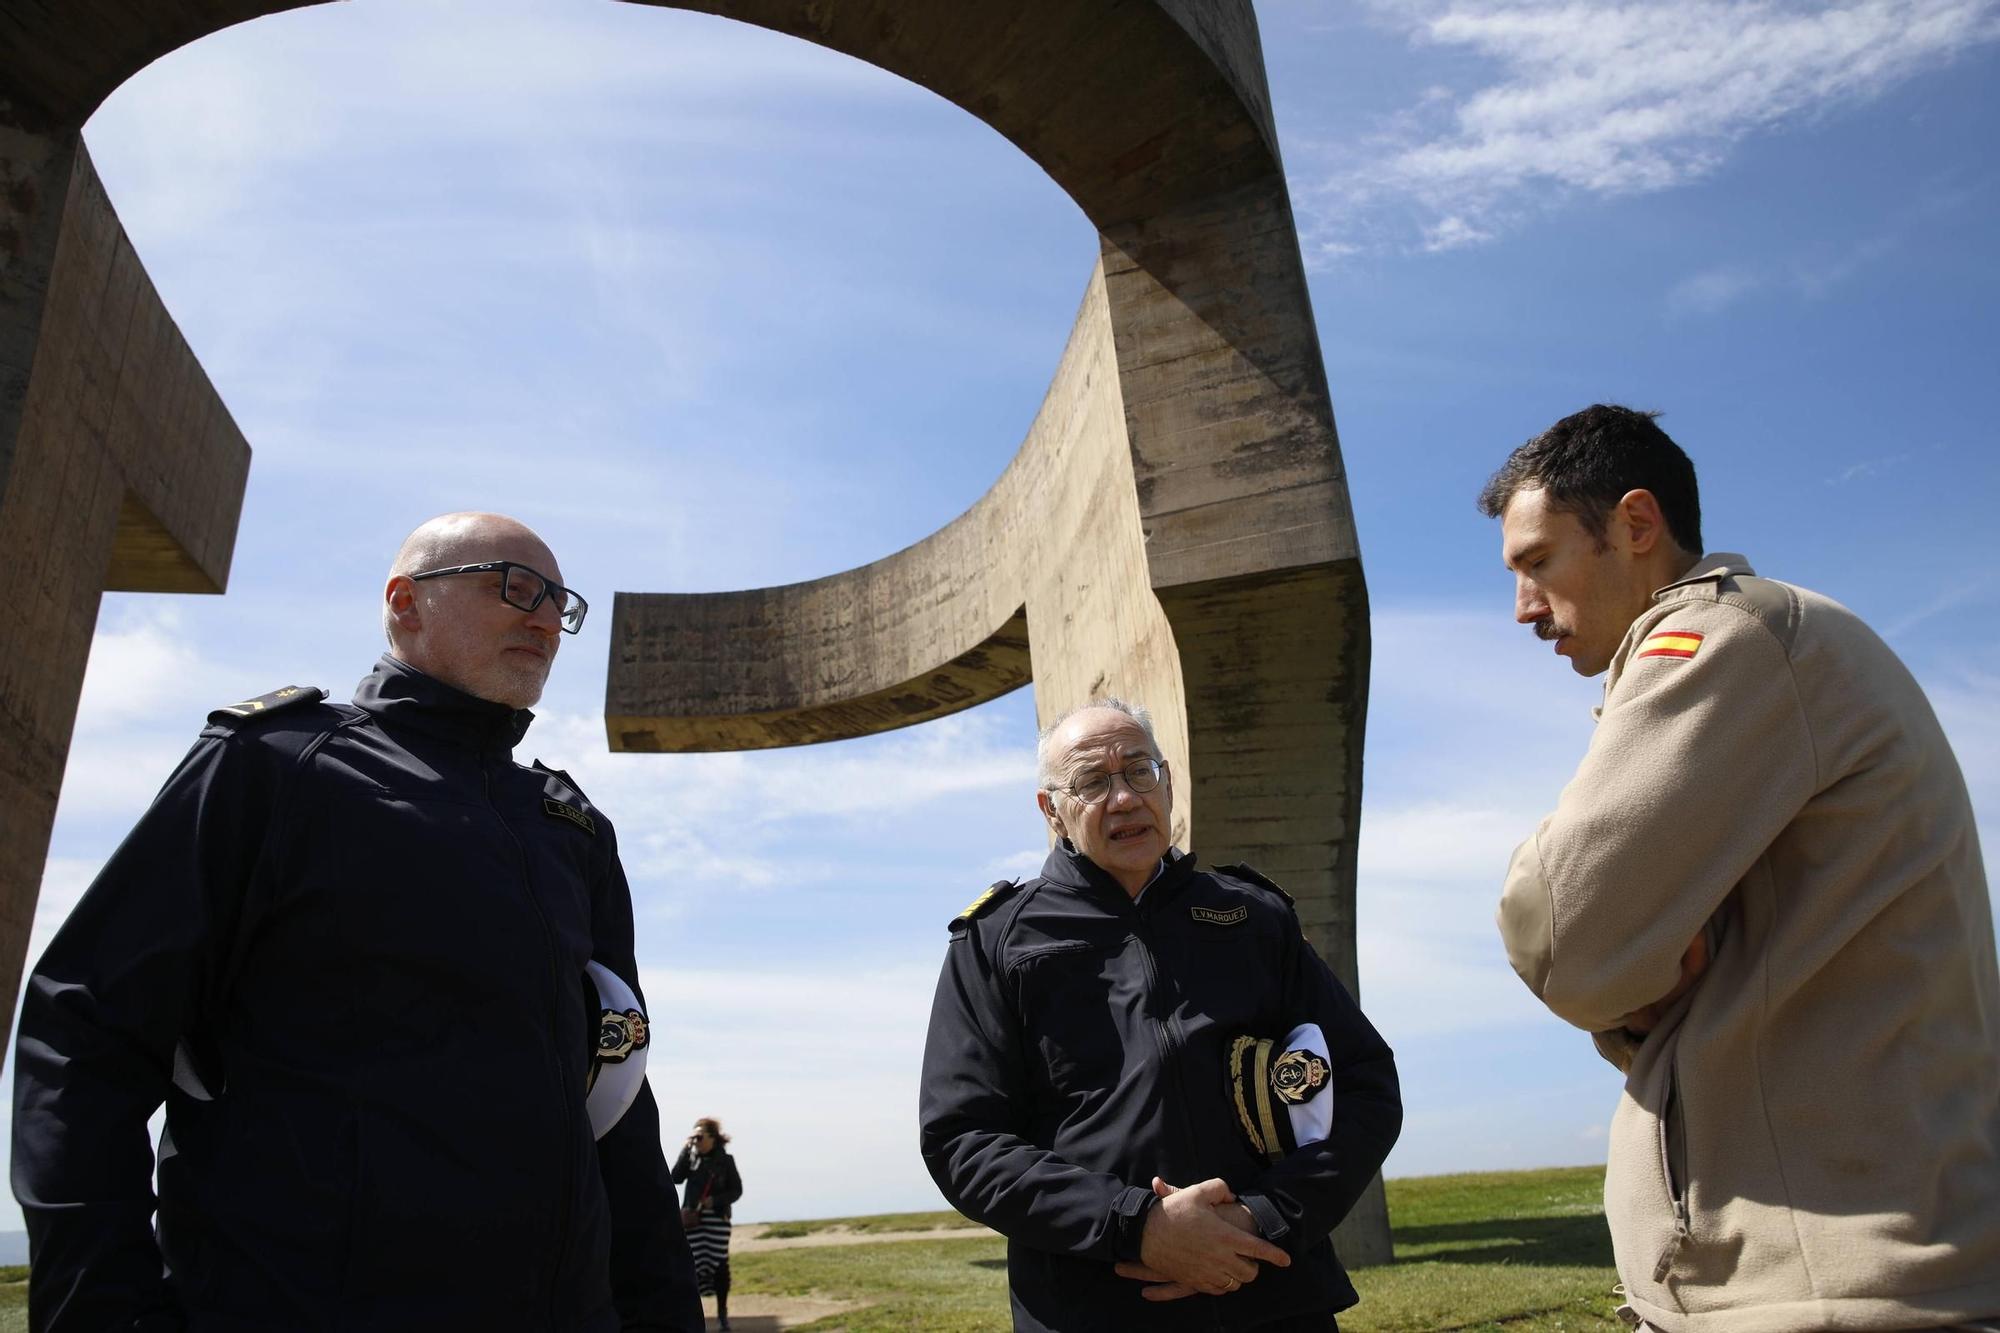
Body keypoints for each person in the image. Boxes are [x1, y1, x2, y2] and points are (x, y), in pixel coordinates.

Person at [10, 512, 704, 1332]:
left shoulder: (571, 828)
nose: (548, 619)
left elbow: (618, 1099)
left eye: (562, 603)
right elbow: (85, 1028)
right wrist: (103, 1310)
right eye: (517, 587)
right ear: (406, 602)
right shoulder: (273, 766)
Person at [1483, 405, 2000, 1332]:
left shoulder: (1725, 637)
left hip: (1832, 1288)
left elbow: (1561, 934)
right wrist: (1634, 974)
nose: (1523, 607)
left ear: (1637, 524)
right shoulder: (1777, 642)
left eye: (1539, 561)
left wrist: (1620, 973)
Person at [919, 698, 1403, 1332]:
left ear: (1168, 783)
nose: (1124, 798)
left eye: (1139, 770)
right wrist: (1137, 1225)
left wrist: (1263, 1216)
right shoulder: (995, 941)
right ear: (1052, 811)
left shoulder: (1255, 918)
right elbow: (963, 1140)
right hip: (1095, 1309)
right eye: (1092, 782)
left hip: (1274, 1295)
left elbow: (1365, 1084)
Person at [671, 1118, 744, 1331]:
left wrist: (715, 1200)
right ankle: (693, 1314)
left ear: (713, 1138)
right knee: (691, 1265)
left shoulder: (725, 1161)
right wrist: (686, 1149)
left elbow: (736, 1190)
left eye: (700, 1136)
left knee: (719, 1264)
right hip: (693, 1220)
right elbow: (675, 1177)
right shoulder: (692, 1159)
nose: (697, 1141)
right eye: (695, 1137)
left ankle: (722, 1313)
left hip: (717, 1220)